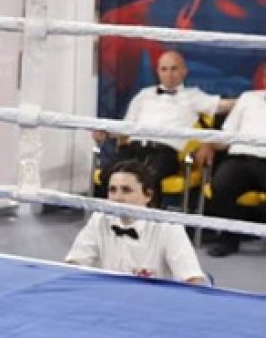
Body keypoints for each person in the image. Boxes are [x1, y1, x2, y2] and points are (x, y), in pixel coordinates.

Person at [92, 50, 234, 190]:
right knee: (108, 175)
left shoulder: (194, 96)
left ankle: (146, 212)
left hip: (164, 153)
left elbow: (224, 105)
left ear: (184, 71)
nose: (169, 74)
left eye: (174, 69)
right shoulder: (144, 95)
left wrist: (249, 99)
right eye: (164, 69)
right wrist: (107, 133)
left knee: (145, 180)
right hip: (133, 149)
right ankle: (110, 212)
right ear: (158, 71)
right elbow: (126, 126)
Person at [65, 161, 207, 285]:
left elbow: (193, 280)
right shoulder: (99, 219)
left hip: (152, 305)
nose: (117, 198)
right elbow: (74, 264)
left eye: (126, 190)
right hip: (109, 300)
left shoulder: (168, 227)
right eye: (112, 190)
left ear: (148, 195)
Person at [197, 88, 266, 257]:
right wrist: (209, 145)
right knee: (220, 186)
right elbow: (227, 133)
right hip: (240, 157)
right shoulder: (248, 98)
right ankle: (229, 238)